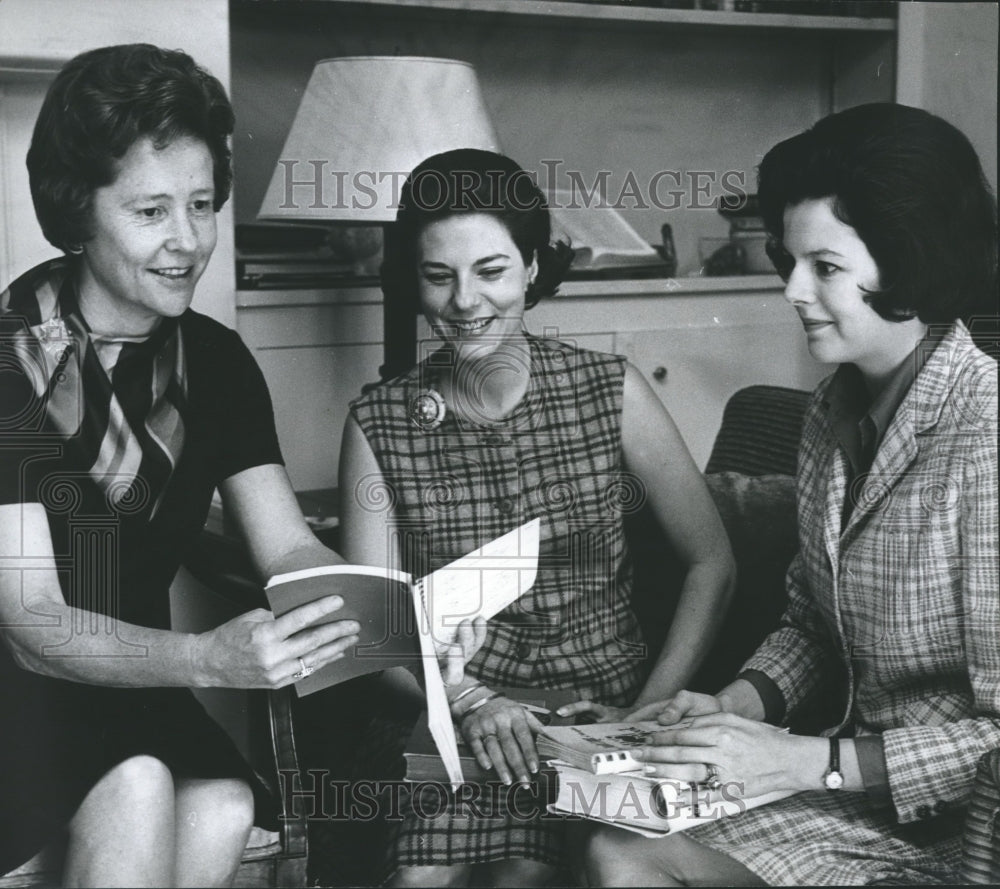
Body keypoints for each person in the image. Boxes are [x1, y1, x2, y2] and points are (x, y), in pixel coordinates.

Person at [0, 44, 480, 888]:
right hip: (24, 690)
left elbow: (287, 549)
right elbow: (35, 623)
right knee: (138, 787)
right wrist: (205, 658)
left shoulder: (215, 360)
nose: (188, 241)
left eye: (200, 205)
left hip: (134, 689)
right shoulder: (9, 365)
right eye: (151, 211)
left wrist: (404, 625)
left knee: (224, 803)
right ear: (78, 212)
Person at [583, 103, 999, 885]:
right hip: (852, 794)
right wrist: (733, 705)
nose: (794, 290)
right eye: (791, 260)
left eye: (825, 267)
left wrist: (807, 760)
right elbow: (811, 621)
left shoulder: (987, 437)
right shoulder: (828, 415)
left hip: (971, 827)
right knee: (615, 844)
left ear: (909, 260)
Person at [339, 148, 736, 887]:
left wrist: (645, 710)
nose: (465, 301)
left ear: (529, 267)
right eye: (438, 275)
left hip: (603, 716)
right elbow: (374, 635)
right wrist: (470, 700)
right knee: (423, 880)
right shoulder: (379, 422)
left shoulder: (609, 389)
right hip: (455, 714)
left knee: (524, 874)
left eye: (490, 270)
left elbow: (712, 562)